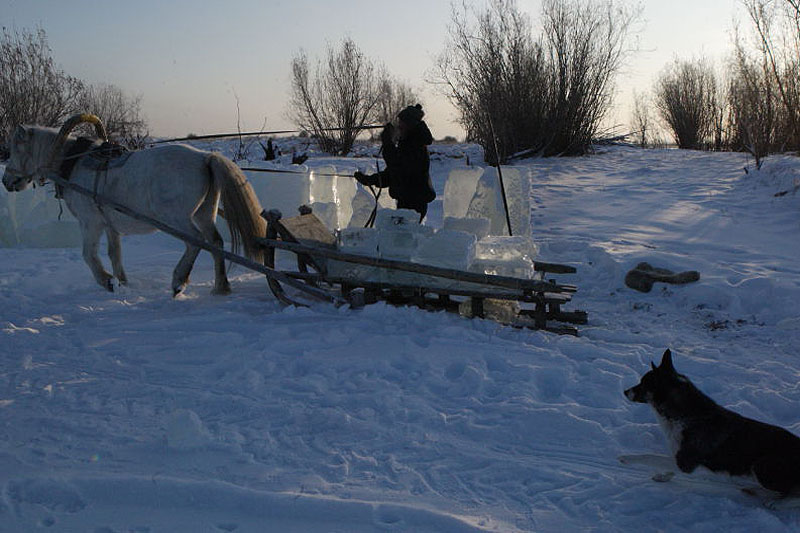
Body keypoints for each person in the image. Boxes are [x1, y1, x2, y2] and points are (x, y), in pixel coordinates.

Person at [354, 104, 436, 221]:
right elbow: (393, 173)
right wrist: (370, 180)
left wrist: (388, 143)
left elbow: (397, 166)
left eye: (401, 123)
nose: (399, 126)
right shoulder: (408, 143)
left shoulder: (416, 145)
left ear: (410, 124)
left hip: (414, 203)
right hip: (407, 201)